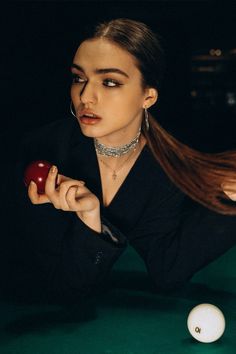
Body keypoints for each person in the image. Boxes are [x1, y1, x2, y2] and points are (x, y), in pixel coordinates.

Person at [1, 18, 236, 304]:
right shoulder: (45, 151)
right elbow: (60, 288)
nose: (86, 95)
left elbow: (168, 268)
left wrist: (229, 201)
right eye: (78, 78)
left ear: (147, 96)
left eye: (109, 81)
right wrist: (91, 222)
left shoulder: (160, 164)